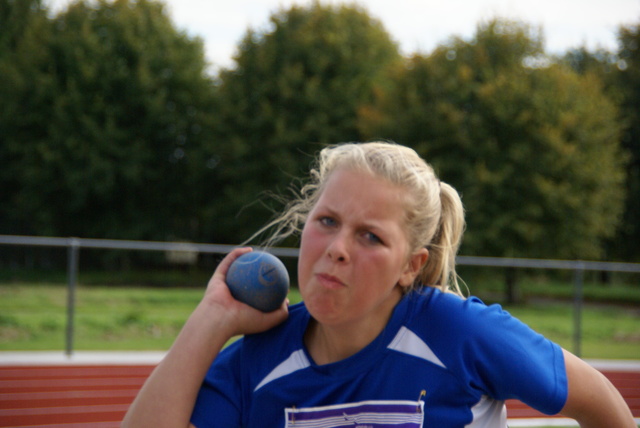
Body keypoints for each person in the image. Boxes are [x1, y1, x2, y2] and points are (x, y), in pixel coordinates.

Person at [122, 141, 635, 427]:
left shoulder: (458, 332)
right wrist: (211, 319)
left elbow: (603, 407)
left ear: (411, 265)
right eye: (326, 221)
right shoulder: (255, 362)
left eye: (369, 235)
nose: (337, 247)